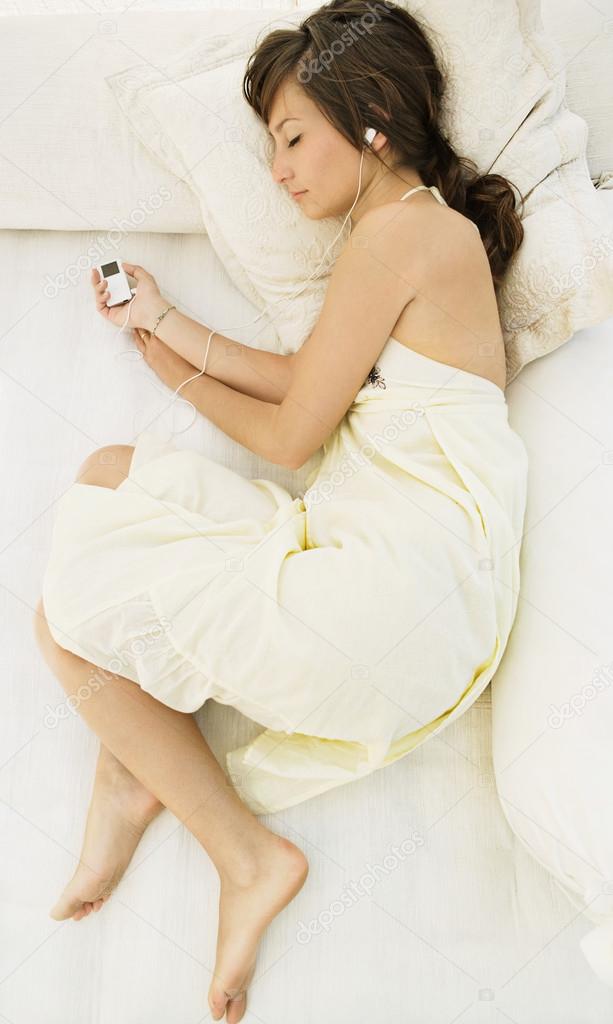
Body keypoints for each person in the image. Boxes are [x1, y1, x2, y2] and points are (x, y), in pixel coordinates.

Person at [34, 1, 529, 1020]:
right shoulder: (410, 234)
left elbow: (294, 433)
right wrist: (161, 326)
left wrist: (172, 360)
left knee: (63, 614)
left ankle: (240, 851)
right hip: (414, 605)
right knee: (108, 472)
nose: (278, 171)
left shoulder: (404, 234)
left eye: (293, 138)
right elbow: (311, 379)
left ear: (372, 118)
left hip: (391, 601)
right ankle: (137, 772)